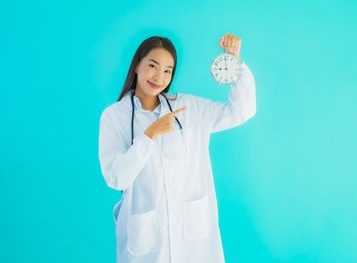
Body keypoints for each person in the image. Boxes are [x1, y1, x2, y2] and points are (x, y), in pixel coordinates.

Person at [98, 33, 256, 263]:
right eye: (153, 65)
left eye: (167, 70)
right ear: (137, 66)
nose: (159, 76)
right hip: (146, 242)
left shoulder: (187, 108)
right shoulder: (114, 117)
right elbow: (117, 179)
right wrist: (149, 135)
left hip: (193, 239)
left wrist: (235, 63)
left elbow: (242, 110)